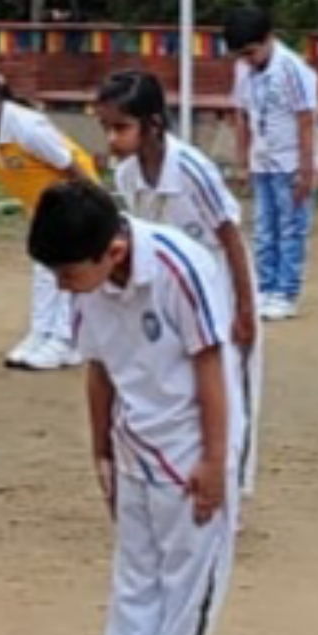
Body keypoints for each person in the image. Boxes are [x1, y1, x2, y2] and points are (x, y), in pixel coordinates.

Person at [29, 180, 235, 635]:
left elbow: (211, 365)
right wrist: (100, 450)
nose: (62, 286)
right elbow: (97, 367)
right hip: (132, 440)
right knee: (136, 566)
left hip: (189, 439)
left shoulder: (178, 268)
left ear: (113, 252)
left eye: (67, 274)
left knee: (186, 571)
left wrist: (215, 460)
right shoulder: (87, 284)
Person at [95, 71, 259, 499]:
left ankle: (233, 485)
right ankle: (180, 469)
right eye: (106, 128)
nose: (112, 139)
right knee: (179, 380)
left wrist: (244, 309)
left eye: (120, 127)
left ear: (152, 124)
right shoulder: (127, 175)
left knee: (231, 385)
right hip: (172, 292)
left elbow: (230, 236)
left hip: (220, 285)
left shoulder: (191, 170)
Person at [0, 64, 100, 373]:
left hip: (74, 201)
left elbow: (70, 164)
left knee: (69, 271)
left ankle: (66, 340)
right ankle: (41, 332)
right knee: (45, 269)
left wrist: (94, 208)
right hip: (44, 209)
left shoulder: (27, 127)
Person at [224, 6, 318, 320]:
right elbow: (241, 114)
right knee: (264, 228)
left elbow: (306, 119)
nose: (248, 60)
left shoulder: (292, 69)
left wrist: (306, 169)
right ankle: (264, 288)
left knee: (291, 229)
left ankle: (286, 292)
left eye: (251, 52)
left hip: (290, 162)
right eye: (241, 55)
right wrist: (242, 160)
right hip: (262, 161)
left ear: (268, 39)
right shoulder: (243, 69)